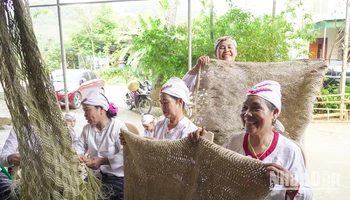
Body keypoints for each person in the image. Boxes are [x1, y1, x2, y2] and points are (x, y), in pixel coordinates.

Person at [189, 80, 312, 200]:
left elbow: (307, 196)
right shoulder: (233, 142)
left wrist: (291, 185)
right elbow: (212, 177)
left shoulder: (289, 151)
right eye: (244, 108)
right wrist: (200, 145)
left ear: (274, 113)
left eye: (255, 108)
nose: (247, 114)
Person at [76, 90, 125, 200]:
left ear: (101, 109)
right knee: (78, 193)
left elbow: (126, 154)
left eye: (87, 110)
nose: (85, 115)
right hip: (95, 176)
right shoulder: (87, 129)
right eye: (84, 111)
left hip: (116, 177)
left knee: (102, 196)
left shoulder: (118, 127)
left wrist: (102, 161)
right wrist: (80, 155)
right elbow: (79, 147)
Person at [120, 77, 198, 144]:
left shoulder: (190, 130)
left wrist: (157, 145)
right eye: (161, 103)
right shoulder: (159, 125)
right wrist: (130, 142)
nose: (162, 107)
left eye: (166, 102)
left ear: (180, 102)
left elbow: (185, 159)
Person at [0, 129, 20, 199]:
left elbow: (3, 156)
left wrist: (11, 165)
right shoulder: (19, 128)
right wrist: (9, 158)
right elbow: (4, 156)